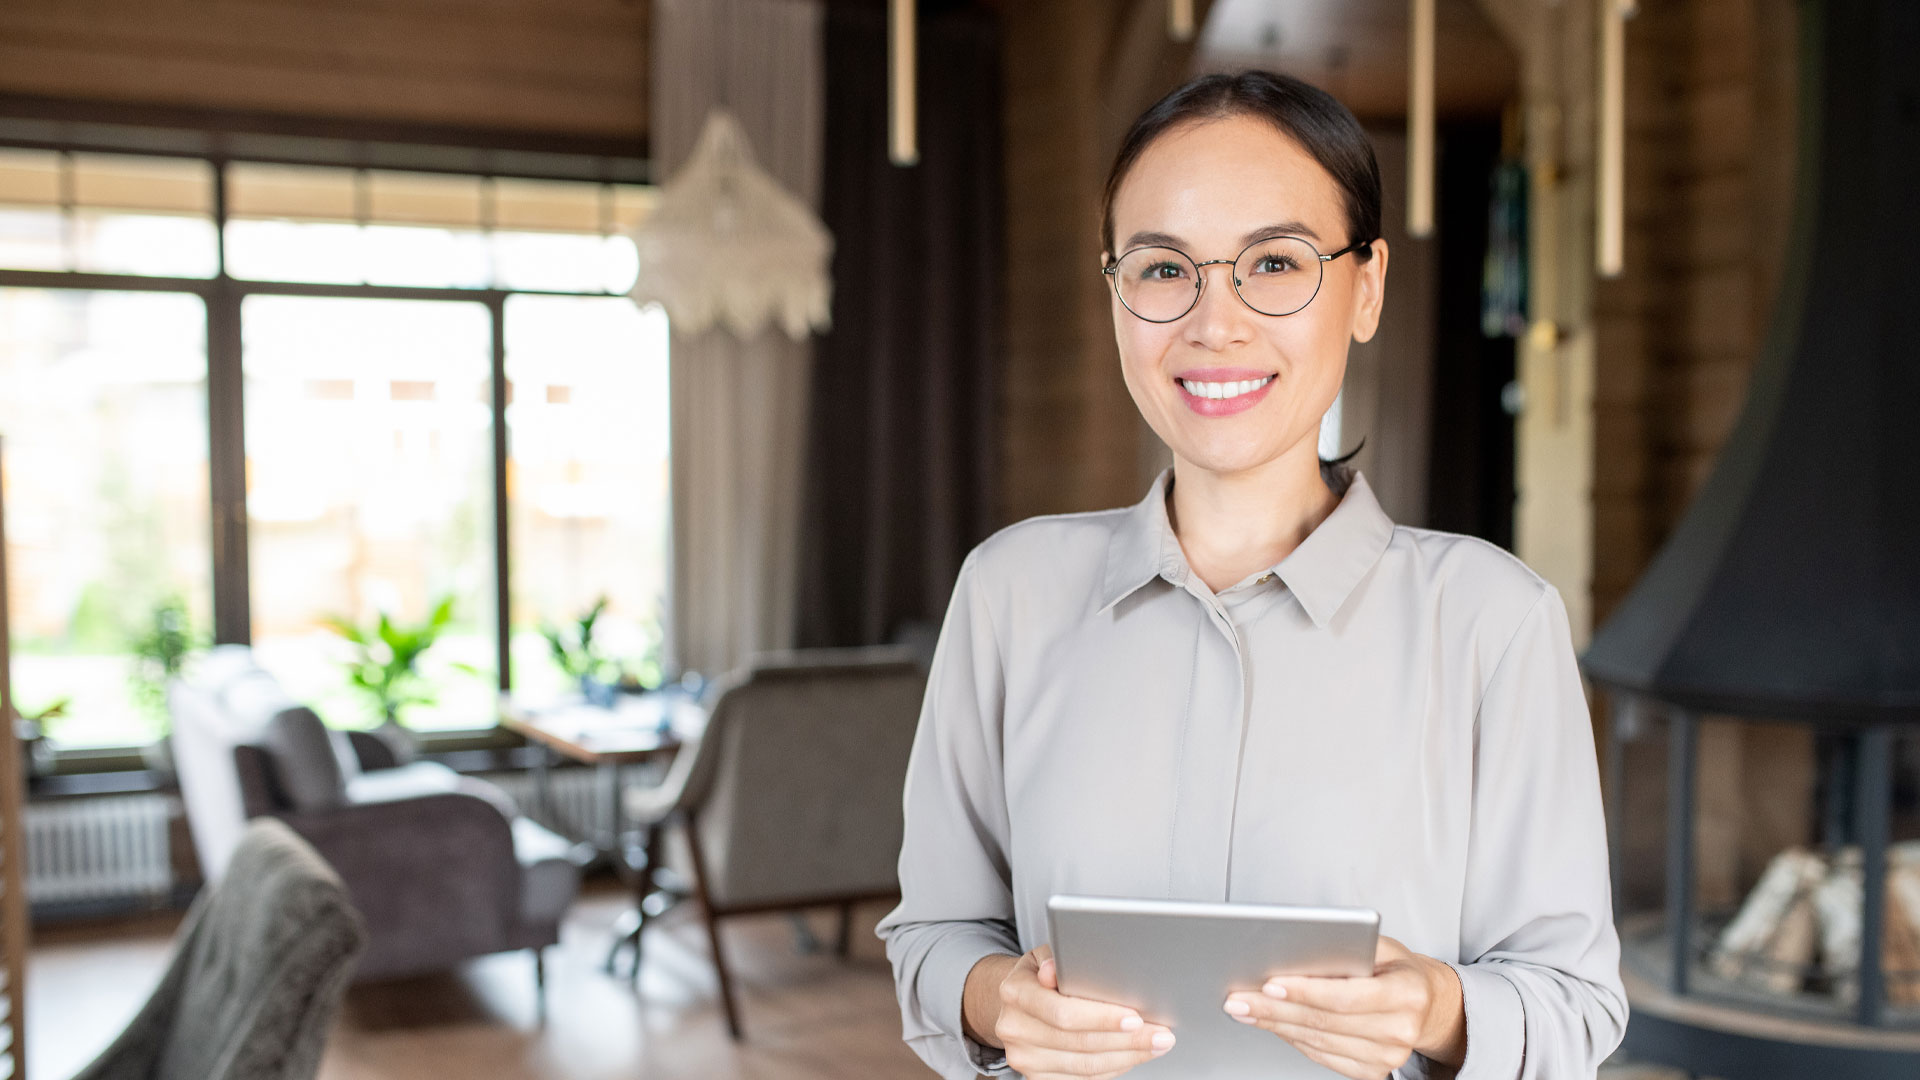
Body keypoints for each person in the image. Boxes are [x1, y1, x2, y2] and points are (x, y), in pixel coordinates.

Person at [875, 70, 1627, 1080]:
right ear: (1115, 294)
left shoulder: (1494, 622)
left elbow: (1576, 1005)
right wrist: (990, 997)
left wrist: (1438, 1009)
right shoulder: (1010, 591)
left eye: (1275, 262)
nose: (1212, 323)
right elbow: (933, 933)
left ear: (1365, 289)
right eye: (1161, 268)